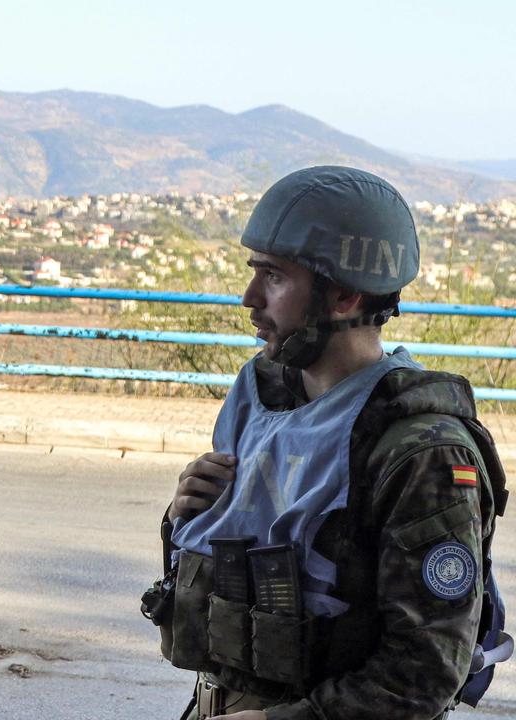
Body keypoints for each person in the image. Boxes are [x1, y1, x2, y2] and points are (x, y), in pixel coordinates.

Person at [148, 166, 507, 720]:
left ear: (342, 296)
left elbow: (424, 674)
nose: (249, 298)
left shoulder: (421, 451)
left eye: (274, 277)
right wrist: (186, 518)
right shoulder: (267, 401)